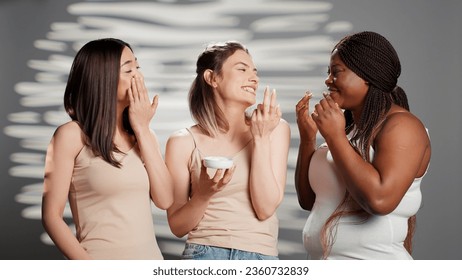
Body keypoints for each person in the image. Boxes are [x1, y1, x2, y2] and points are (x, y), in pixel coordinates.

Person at [294, 31, 431, 260]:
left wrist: (335, 137)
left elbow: (379, 200)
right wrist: (308, 139)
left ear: (367, 75)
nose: (328, 80)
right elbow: (309, 201)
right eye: (328, 72)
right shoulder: (347, 130)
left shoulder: (403, 126)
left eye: (336, 72)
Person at [41, 38, 174, 260]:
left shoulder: (143, 135)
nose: (138, 77)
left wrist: (142, 129)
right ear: (103, 78)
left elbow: (165, 200)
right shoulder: (70, 136)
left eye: (138, 68)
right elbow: (51, 217)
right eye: (129, 69)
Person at [165, 41, 290, 260]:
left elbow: (265, 208)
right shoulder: (182, 142)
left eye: (255, 72)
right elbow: (177, 226)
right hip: (203, 254)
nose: (254, 78)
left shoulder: (275, 128)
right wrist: (203, 195)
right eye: (242, 69)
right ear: (212, 78)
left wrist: (260, 138)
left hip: (260, 259)